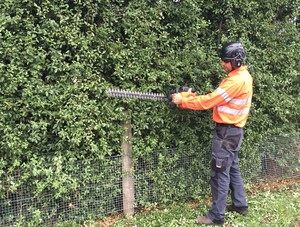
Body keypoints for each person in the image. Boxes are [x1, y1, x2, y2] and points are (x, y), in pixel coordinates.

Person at [172, 41, 252, 225]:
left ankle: (216, 216)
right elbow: (218, 98)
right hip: (235, 131)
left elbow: (210, 101)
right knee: (232, 168)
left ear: (236, 60)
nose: (222, 63)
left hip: (226, 133)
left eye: (225, 60)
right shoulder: (243, 75)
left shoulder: (235, 80)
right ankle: (240, 205)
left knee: (219, 172)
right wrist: (190, 96)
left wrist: (182, 101)